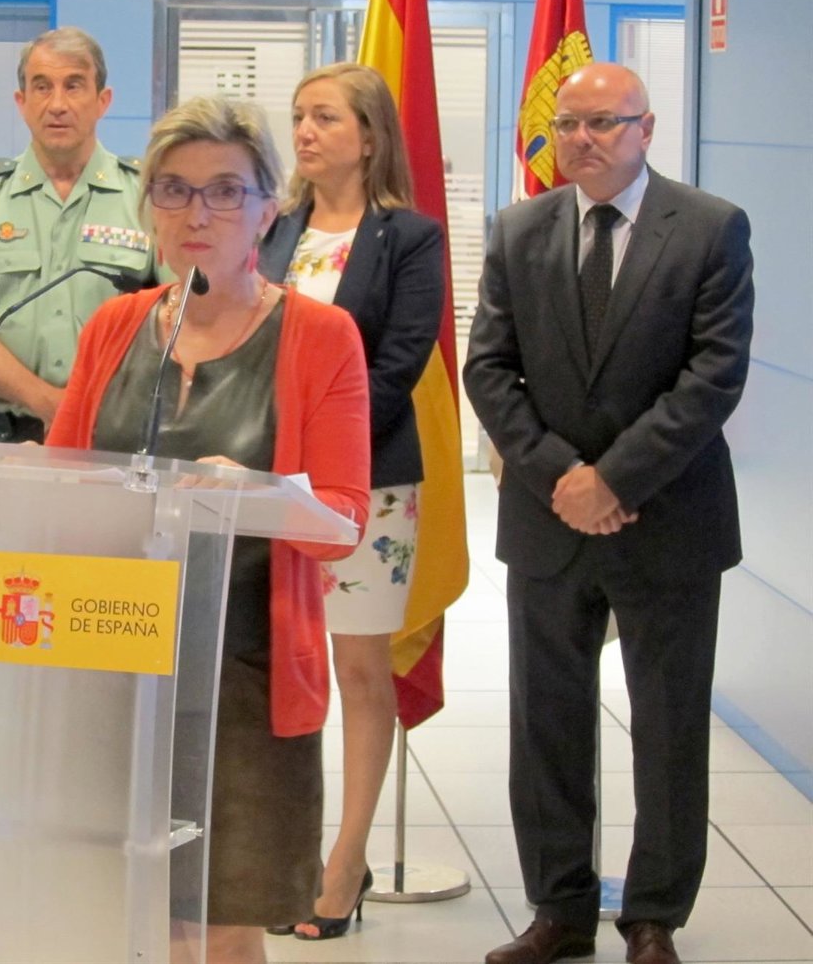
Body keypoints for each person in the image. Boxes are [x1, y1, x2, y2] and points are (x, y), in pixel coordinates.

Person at [46, 95, 371, 964]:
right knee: (141, 919)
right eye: (175, 190)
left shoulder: (321, 336)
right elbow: (59, 485)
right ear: (149, 206)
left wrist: (253, 492)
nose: (197, 213)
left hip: (246, 676)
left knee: (222, 927)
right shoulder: (115, 326)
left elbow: (343, 520)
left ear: (268, 210)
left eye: (226, 191)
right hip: (114, 658)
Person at [463, 63, 753, 964]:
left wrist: (615, 481)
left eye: (603, 123)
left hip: (668, 518)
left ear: (646, 129)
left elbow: (714, 375)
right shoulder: (519, 229)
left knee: (668, 725)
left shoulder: (709, 227)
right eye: (568, 124)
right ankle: (560, 910)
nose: (581, 139)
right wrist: (563, 477)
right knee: (546, 723)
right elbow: (488, 368)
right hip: (548, 519)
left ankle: (654, 915)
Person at [258, 62, 445, 940]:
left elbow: (398, 364)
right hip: (265, 483)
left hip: (367, 483)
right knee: (278, 664)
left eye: (325, 117)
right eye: (298, 116)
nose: (304, 131)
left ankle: (347, 860)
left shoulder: (409, 238)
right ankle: (282, 849)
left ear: (369, 136)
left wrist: (314, 450)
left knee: (361, 672)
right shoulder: (272, 228)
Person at [0, 26, 155, 443]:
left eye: (74, 86)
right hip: (4, 433)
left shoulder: (149, 198)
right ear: (22, 102)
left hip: (114, 434)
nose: (57, 104)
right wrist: (52, 404)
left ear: (103, 100)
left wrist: (88, 412)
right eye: (42, 87)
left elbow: (180, 322)